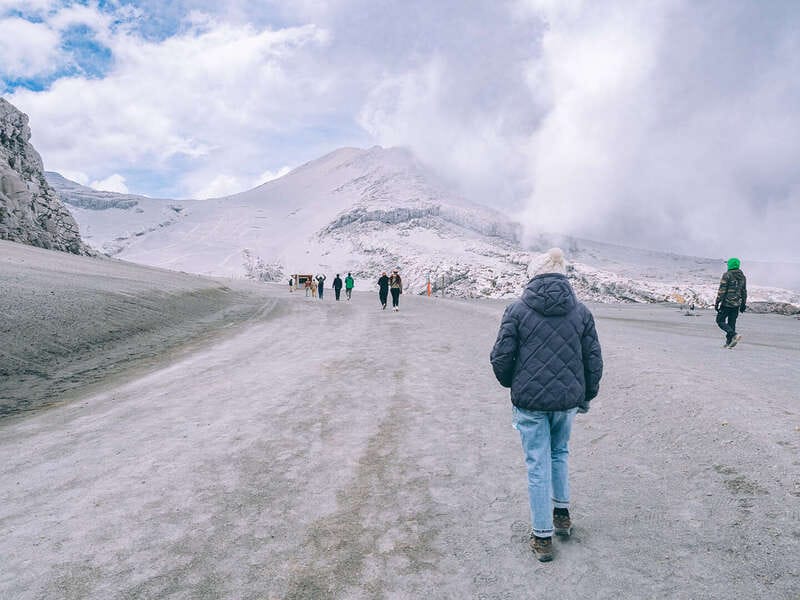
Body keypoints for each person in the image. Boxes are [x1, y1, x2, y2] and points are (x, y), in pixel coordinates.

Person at [490, 248, 603, 563]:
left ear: (533, 275)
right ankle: (562, 516)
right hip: (567, 401)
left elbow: (501, 358)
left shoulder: (516, 310)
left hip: (530, 402)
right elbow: (593, 360)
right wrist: (587, 395)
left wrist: (514, 384)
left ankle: (542, 537)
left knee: (537, 464)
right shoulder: (581, 312)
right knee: (559, 453)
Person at [715, 257, 747, 348]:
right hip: (736, 304)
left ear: (730, 265)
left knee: (720, 320)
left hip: (726, 303)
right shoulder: (742, 277)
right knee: (731, 323)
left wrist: (717, 302)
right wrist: (743, 304)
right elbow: (744, 291)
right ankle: (729, 342)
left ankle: (734, 335)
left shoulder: (727, 275)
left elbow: (722, 290)